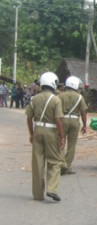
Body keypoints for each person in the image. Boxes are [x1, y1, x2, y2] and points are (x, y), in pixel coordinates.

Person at [25, 72, 65, 202]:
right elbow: (58, 120)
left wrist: (31, 134)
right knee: (54, 161)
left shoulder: (34, 99)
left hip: (38, 130)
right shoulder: (56, 99)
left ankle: (38, 194)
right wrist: (62, 137)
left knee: (37, 163)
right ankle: (52, 189)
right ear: (53, 83)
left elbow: (29, 118)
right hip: (51, 131)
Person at [59, 76, 88, 175]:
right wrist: (84, 125)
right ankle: (67, 166)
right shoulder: (80, 97)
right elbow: (83, 112)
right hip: (75, 121)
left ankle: (62, 164)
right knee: (72, 145)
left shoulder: (60, 96)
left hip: (62, 120)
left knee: (60, 142)